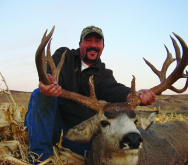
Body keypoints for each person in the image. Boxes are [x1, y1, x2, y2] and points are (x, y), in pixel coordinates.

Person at [24, 25, 156, 162]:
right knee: (40, 94)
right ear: (80, 44)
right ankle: (39, 159)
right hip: (53, 124)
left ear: (103, 47)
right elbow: (48, 72)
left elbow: (113, 88)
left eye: (97, 42)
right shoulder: (65, 55)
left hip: (78, 138)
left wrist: (131, 95)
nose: (93, 45)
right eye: (88, 40)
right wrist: (48, 81)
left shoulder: (104, 74)